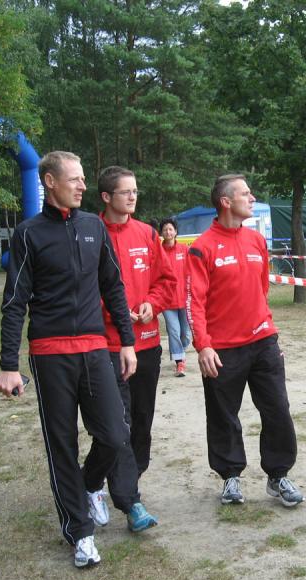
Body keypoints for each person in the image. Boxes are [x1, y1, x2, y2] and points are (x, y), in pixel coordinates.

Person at [0, 151, 143, 568]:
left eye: (82, 179)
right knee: (62, 445)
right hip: (50, 354)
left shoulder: (94, 226)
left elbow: (113, 287)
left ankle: (90, 484)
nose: (82, 186)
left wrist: (127, 342)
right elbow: (14, 301)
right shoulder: (28, 234)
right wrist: (8, 364)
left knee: (115, 434)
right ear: (49, 182)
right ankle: (80, 533)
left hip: (95, 349)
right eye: (74, 179)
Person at [187, 174, 304, 508]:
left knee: (278, 409)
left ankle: (278, 475)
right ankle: (230, 476)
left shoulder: (256, 241)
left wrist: (265, 325)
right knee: (224, 416)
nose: (252, 198)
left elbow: (261, 289)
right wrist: (203, 345)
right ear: (226, 202)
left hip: (263, 341)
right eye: (245, 194)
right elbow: (194, 302)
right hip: (222, 349)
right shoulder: (202, 247)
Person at [94, 165, 169, 532]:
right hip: (108, 345)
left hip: (148, 342)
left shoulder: (147, 233)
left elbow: (166, 280)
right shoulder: (90, 234)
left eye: (135, 191)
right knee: (118, 421)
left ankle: (118, 479)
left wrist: (153, 304)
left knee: (141, 419)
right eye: (126, 192)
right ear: (106, 197)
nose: (133, 197)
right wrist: (118, 314)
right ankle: (130, 501)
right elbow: (86, 290)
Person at [160, 218, 192, 376]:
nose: (168, 232)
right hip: (167, 301)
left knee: (186, 333)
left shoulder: (184, 250)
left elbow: (193, 271)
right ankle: (180, 362)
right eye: (165, 229)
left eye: (170, 229)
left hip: (185, 298)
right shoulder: (158, 252)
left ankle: (181, 349)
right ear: (161, 233)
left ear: (175, 232)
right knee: (174, 331)